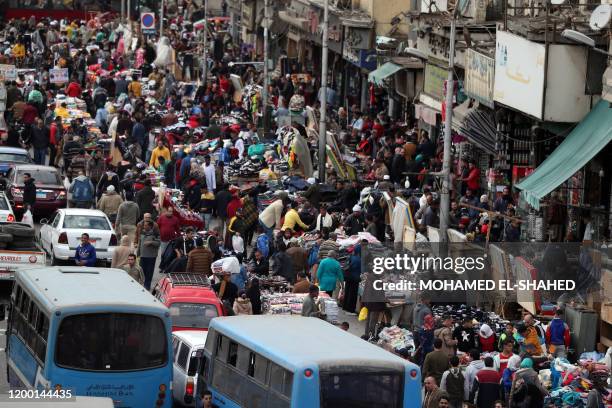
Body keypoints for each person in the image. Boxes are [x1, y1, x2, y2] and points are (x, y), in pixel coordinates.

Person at [138, 220, 160, 290]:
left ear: (150, 226)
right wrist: (138, 253)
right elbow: (140, 244)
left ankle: (147, 287)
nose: (144, 226)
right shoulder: (142, 233)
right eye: (144, 225)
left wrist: (151, 242)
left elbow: (158, 243)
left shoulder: (155, 234)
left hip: (151, 256)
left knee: (149, 272)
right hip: (142, 256)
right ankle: (141, 286)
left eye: (145, 225)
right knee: (141, 272)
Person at [343, 244, 362, 313]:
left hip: (348, 277)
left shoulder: (351, 257)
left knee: (347, 291)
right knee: (353, 294)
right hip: (355, 278)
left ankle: (345, 306)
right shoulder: (359, 259)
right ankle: (350, 309)